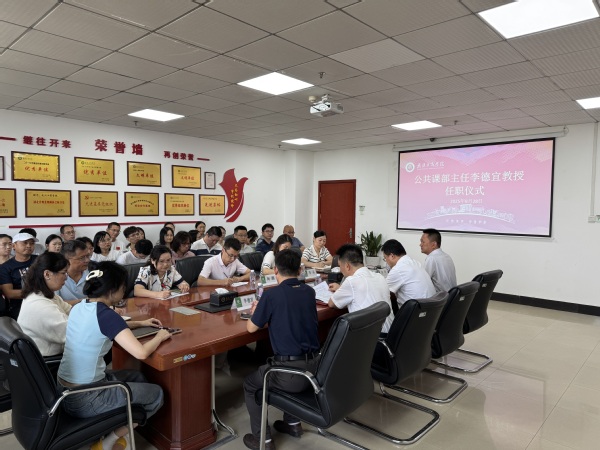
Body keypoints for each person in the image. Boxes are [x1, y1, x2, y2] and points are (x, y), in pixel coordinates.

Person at [57, 261, 171, 450]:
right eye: (123, 287)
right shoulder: (106, 315)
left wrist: (141, 323)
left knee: (137, 377)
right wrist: (160, 336)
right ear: (112, 290)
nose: (124, 291)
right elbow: (141, 353)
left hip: (65, 391)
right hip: (88, 398)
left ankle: (121, 425)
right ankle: (107, 442)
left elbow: (109, 326)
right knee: (156, 394)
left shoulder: (80, 306)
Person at [242, 249, 320, 450]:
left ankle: (263, 440)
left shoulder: (271, 295)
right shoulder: (309, 291)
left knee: (250, 384)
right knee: (287, 362)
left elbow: (251, 328)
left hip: (289, 374)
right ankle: (293, 424)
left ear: (275, 270)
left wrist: (257, 312)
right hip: (315, 368)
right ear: (300, 270)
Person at [327, 244, 394, 334]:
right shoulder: (379, 277)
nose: (340, 270)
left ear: (347, 266)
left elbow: (332, 303)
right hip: (390, 335)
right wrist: (341, 289)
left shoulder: (351, 281)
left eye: (340, 266)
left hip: (370, 339)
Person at [18, 252, 71, 356]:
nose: (66, 277)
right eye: (64, 273)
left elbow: (70, 310)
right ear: (47, 274)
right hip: (49, 360)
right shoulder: (39, 305)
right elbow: (71, 333)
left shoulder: (45, 294)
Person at [382, 239, 436, 308]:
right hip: (431, 310)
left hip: (416, 311)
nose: (386, 261)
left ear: (392, 256)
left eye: (385, 258)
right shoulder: (415, 263)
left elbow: (382, 291)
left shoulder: (398, 269)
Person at [0, 232, 38, 319]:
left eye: (32, 243)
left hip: (44, 301)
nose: (29, 246)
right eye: (24, 243)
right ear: (14, 246)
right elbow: (9, 293)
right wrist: (37, 292)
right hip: (20, 307)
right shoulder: (5, 267)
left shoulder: (40, 260)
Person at [420, 228, 457, 292]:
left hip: (441, 297)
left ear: (433, 244)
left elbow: (423, 283)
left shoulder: (431, 258)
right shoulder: (447, 256)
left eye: (423, 242)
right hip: (452, 296)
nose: (420, 244)